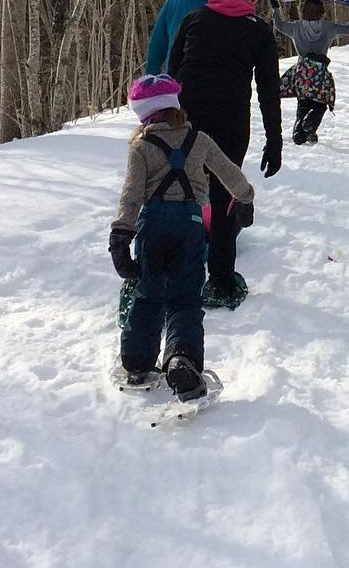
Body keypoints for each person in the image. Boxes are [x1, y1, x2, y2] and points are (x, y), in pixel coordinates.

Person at [109, 74, 254, 399]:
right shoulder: (199, 140)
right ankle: (181, 359)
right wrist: (245, 198)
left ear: (144, 115)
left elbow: (131, 195)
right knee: (184, 299)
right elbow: (229, 172)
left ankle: (136, 360)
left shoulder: (141, 147)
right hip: (189, 226)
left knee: (147, 295)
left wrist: (120, 236)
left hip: (153, 227)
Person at [167, 0, 282, 306]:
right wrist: (274, 142)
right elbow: (268, 92)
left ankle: (173, 271)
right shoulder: (258, 30)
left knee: (179, 193)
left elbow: (172, 76)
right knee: (222, 200)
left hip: (185, 120)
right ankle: (219, 282)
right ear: (251, 0)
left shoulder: (194, 20)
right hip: (231, 123)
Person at [273, 0, 349, 138]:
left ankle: (300, 129)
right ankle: (311, 125)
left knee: (303, 101)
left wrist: (276, 7)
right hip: (319, 72)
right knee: (321, 101)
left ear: (303, 11)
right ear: (322, 12)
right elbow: (348, 29)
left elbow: (279, 25)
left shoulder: (296, 27)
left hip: (302, 71)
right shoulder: (328, 27)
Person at [144, 0, 226, 74]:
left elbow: (157, 43)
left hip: (178, 76)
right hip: (223, 78)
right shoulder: (232, 3)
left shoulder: (176, 0)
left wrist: (150, 76)